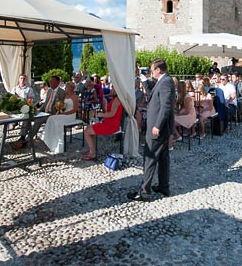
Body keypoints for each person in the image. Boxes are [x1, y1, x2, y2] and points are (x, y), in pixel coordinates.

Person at [127, 59, 175, 201]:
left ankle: (144, 192)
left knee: (149, 158)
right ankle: (163, 186)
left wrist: (157, 126)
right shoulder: (162, 81)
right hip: (161, 127)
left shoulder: (166, 82)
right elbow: (152, 95)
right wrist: (144, 81)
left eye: (152, 69)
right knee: (162, 157)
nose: (151, 72)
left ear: (158, 69)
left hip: (158, 127)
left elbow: (166, 107)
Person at [12, 75, 65, 150]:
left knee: (38, 121)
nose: (50, 83)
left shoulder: (61, 92)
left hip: (52, 114)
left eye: (52, 81)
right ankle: (22, 136)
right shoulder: (49, 91)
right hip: (44, 112)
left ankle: (26, 141)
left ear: (58, 82)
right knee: (28, 116)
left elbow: (60, 107)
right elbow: (45, 104)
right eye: (50, 81)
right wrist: (37, 111)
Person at [82, 88, 124, 161]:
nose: (111, 90)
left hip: (111, 125)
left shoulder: (117, 99)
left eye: (113, 88)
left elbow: (112, 114)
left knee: (87, 131)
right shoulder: (116, 98)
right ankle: (92, 151)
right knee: (89, 129)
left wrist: (100, 114)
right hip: (110, 123)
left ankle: (92, 153)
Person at [42, 81, 80, 154]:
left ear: (70, 88)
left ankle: (58, 144)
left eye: (66, 87)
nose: (65, 88)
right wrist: (60, 110)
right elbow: (62, 106)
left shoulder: (75, 97)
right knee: (51, 118)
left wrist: (65, 113)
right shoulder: (65, 96)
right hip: (64, 114)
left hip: (70, 115)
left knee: (56, 121)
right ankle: (49, 140)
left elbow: (74, 110)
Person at [170, 81, 197, 148]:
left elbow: (187, 111)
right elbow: (178, 106)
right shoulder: (180, 95)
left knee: (171, 121)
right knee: (170, 118)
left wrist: (178, 113)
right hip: (183, 113)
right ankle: (176, 136)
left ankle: (177, 136)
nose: (176, 88)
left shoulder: (187, 97)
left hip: (189, 115)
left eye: (177, 87)